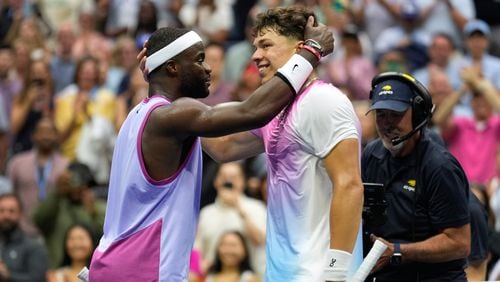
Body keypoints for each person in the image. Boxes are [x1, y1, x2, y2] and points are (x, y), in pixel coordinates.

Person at [88, 16, 334, 281]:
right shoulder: (173, 114)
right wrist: (310, 51)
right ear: (172, 68)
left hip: (113, 263)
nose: (208, 69)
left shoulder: (140, 114)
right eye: (198, 59)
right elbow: (252, 111)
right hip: (143, 269)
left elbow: (223, 148)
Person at [201, 6, 364, 281]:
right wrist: (176, 104)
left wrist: (336, 272)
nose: (255, 55)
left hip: (318, 274)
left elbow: (349, 185)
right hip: (281, 273)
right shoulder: (274, 109)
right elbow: (223, 146)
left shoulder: (324, 101)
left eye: (266, 45)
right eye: (255, 46)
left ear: (300, 49)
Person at [361, 72, 471, 281]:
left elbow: (459, 244)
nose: (387, 123)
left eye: (396, 114)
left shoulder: (439, 167)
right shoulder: (371, 154)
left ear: (419, 114)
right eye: (381, 114)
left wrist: (397, 251)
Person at [195, 162, 267, 274]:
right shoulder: (206, 213)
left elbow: (261, 241)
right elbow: (198, 249)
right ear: (215, 181)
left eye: (234, 177)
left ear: (243, 182)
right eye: (223, 177)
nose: (228, 182)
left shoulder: (257, 208)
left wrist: (238, 208)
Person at [33, 161, 106, 269]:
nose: (76, 185)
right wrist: (56, 193)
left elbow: (106, 239)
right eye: (72, 181)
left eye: (81, 181)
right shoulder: (56, 204)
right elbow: (39, 220)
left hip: (91, 271)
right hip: (57, 271)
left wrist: (94, 213)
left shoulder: (98, 207)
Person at [7, 117, 69, 236]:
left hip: (55, 230)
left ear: (56, 136)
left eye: (50, 132)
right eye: (42, 132)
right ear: (33, 135)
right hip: (23, 229)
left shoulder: (66, 165)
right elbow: (10, 195)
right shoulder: (17, 163)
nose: (45, 136)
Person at [0, 193, 49, 282]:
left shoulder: (34, 247)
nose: (6, 215)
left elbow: (38, 279)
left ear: (20, 214)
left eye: (11, 211)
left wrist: (8, 276)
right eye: (1, 211)